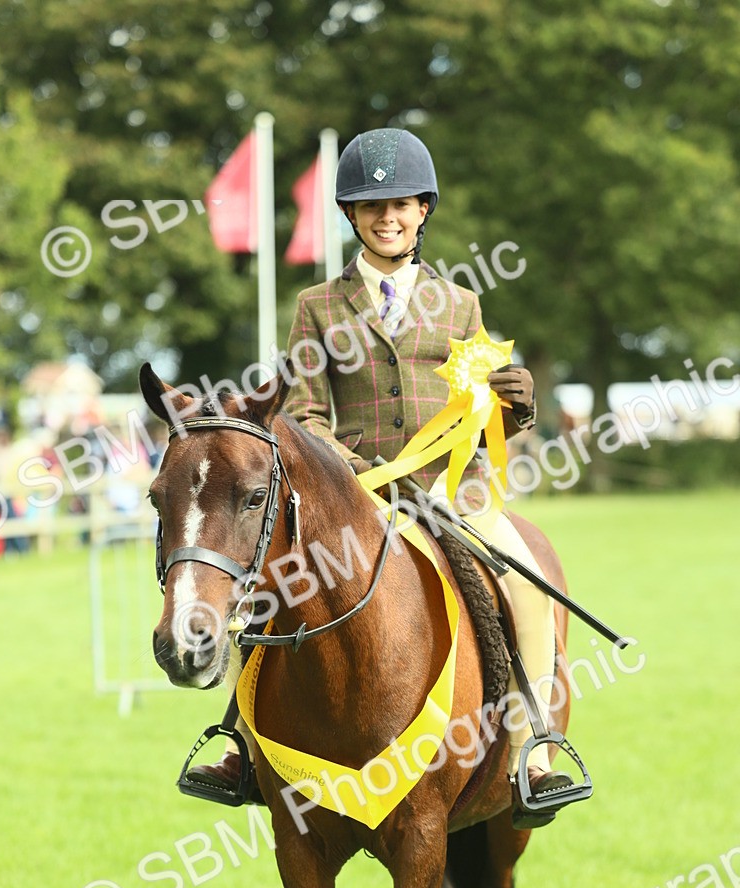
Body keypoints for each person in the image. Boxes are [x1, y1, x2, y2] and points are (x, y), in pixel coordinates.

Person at [203, 127, 579, 828]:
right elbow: (306, 412)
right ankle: (242, 744)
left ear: (423, 210)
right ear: (351, 215)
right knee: (268, 592)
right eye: (373, 207)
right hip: (356, 499)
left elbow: (477, 409)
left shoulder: (461, 303)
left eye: (401, 204)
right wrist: (356, 472)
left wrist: (513, 407)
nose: (388, 217)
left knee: (528, 584)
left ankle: (534, 748)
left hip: (449, 494)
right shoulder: (318, 305)